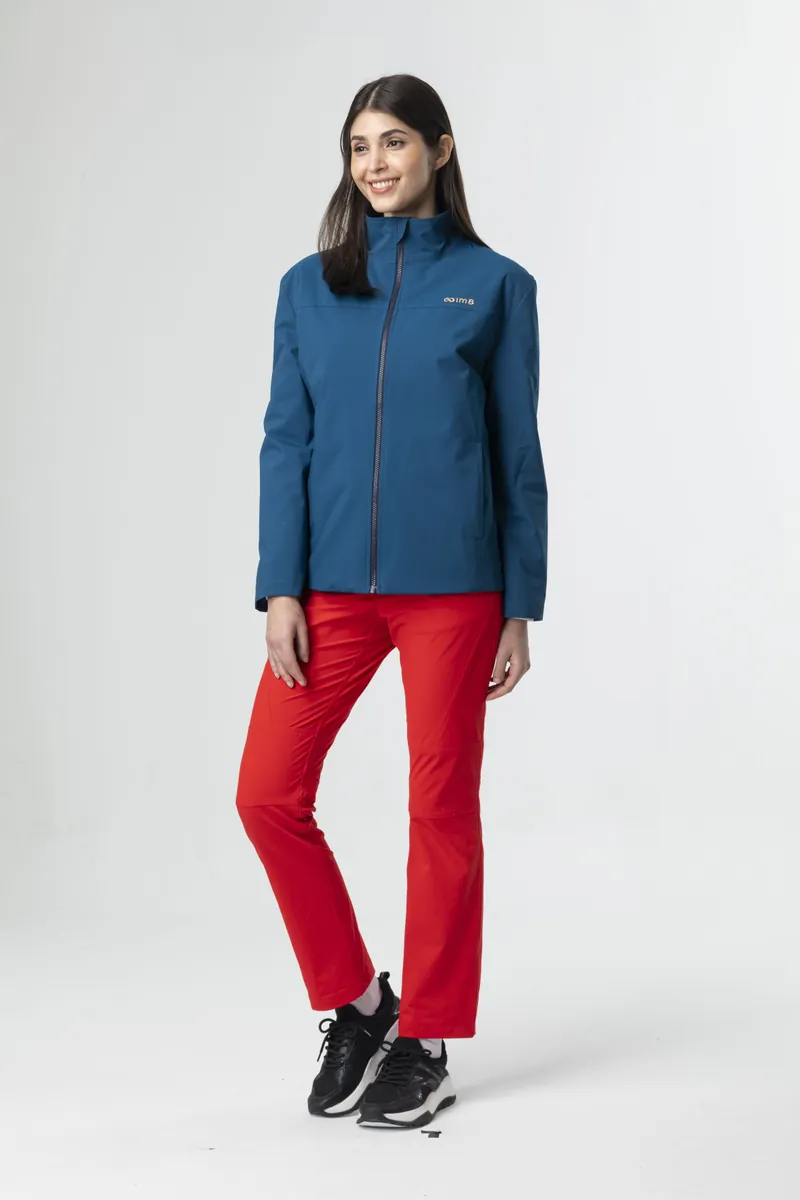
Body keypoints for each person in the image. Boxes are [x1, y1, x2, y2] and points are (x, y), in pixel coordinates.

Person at [235, 73, 547, 1130]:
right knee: (266, 795)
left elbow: (516, 453)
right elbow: (284, 440)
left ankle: (429, 1036)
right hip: (329, 589)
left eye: (395, 142)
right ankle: (362, 1005)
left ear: (440, 150)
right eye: (360, 146)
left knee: (438, 809)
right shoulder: (307, 287)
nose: (374, 163)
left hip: (454, 590)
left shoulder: (494, 286)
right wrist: (281, 584)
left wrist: (519, 604)